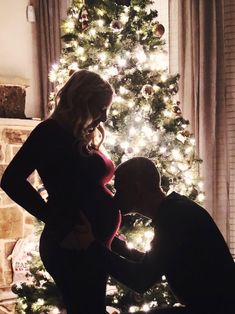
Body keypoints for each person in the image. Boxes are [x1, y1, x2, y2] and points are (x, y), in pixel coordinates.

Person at [0, 70, 121, 314]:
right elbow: (11, 180)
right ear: (81, 101)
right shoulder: (49, 132)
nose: (105, 117)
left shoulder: (81, 135)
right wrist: (57, 222)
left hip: (90, 243)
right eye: (100, 108)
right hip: (69, 244)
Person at [64, 157, 235, 314]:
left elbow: (141, 279)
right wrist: (112, 243)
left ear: (137, 188)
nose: (115, 198)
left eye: (120, 190)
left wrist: (91, 246)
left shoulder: (173, 217)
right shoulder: (176, 209)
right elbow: (152, 262)